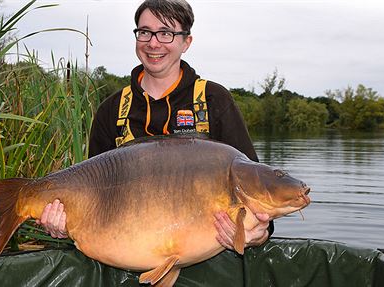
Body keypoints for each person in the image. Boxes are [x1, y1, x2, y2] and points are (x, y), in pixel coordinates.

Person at [37, 0, 273, 252]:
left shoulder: (214, 100)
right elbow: (94, 190)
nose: (153, 42)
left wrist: (260, 233)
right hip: (128, 248)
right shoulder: (112, 109)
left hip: (205, 253)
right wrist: (64, 222)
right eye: (145, 32)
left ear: (186, 42)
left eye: (166, 33)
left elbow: (257, 186)